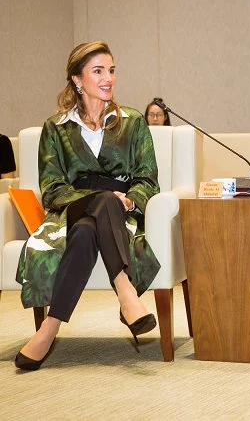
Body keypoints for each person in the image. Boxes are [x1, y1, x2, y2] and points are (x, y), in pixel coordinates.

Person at [14, 41, 161, 371]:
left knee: (84, 234)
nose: (108, 78)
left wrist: (130, 199)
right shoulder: (56, 128)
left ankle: (47, 331)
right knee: (99, 204)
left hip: (118, 213)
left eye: (111, 70)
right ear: (77, 80)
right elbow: (51, 189)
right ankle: (126, 293)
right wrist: (103, 198)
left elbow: (148, 179)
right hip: (71, 208)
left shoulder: (133, 121)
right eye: (98, 71)